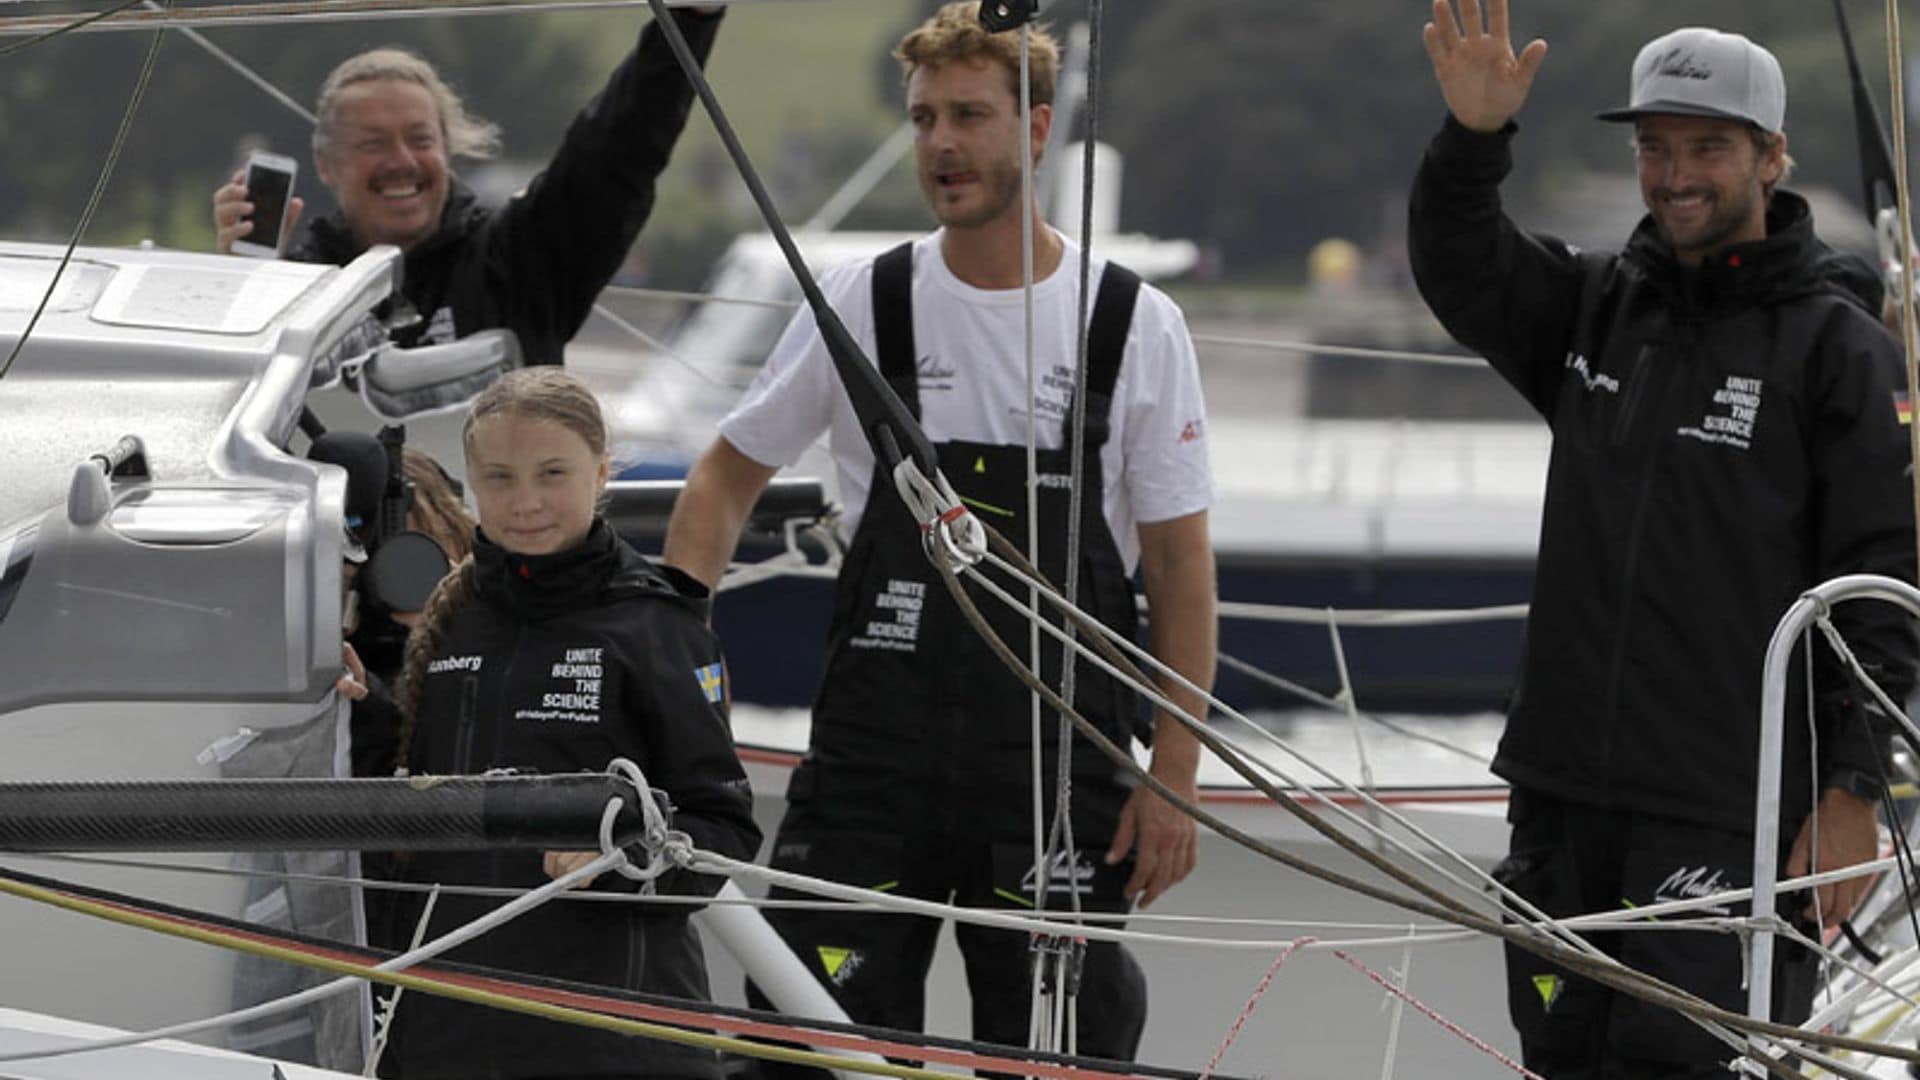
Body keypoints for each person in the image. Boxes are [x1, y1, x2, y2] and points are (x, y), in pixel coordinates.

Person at [662, 2, 1216, 1065]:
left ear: (1038, 128)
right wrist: (680, 655)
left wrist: (1174, 777)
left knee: (1064, 1052)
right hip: (875, 760)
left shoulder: (1134, 324)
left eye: (967, 116)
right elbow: (724, 479)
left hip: (1057, 772)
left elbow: (1182, 568)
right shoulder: (867, 299)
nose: (941, 146)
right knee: (815, 1048)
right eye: (922, 120)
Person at [1410, 2, 1917, 1074]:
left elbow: (1881, 585)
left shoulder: (1839, 352)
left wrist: (1851, 799)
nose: (1675, 173)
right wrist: (1473, 139)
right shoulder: (1595, 307)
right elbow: (1461, 267)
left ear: (1771, 157)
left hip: (1723, 815)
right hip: (1560, 801)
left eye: (1707, 148)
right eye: (1654, 147)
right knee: (1560, 1057)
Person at [356, 367, 760, 1079]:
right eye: (500, 478)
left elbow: (722, 827)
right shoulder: (452, 623)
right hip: (444, 1029)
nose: (526, 502)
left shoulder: (656, 626)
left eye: (552, 473)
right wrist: (361, 714)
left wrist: (626, 855)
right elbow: (406, 804)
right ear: (472, 482)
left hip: (614, 1039)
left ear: (600, 471)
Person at [212, 6, 723, 366]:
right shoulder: (299, 289)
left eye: (420, 139)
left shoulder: (524, 258)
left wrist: (690, 19)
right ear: (326, 165)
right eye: (372, 144)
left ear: (447, 149)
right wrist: (248, 287)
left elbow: (615, 152)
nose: (402, 161)